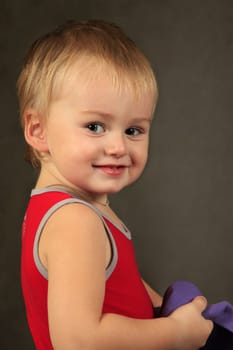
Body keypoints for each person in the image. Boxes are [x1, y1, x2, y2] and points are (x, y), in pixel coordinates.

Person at [18, 20, 213, 350]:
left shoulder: (79, 212)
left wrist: (171, 310)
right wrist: (177, 334)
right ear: (39, 130)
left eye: (134, 130)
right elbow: (78, 341)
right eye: (95, 126)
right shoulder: (74, 222)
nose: (118, 147)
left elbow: (115, 286)